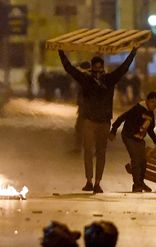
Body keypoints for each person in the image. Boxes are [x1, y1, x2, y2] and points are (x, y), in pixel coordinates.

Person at [58, 47, 138, 194]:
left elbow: (124, 68)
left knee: (100, 152)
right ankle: (90, 181)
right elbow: (69, 69)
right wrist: (62, 53)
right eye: (96, 69)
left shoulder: (108, 79)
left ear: (103, 68)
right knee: (89, 152)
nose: (98, 72)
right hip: (90, 121)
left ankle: (96, 182)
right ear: (92, 68)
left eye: (99, 69)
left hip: (103, 121)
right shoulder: (87, 80)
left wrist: (133, 52)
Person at [109, 91, 156, 193]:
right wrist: (113, 130)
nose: (153, 105)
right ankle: (136, 185)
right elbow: (122, 117)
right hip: (129, 136)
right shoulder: (137, 109)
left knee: (143, 161)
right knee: (136, 159)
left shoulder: (151, 114)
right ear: (147, 101)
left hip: (140, 138)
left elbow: (150, 130)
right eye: (152, 102)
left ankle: (141, 182)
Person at [72, 61, 91, 153]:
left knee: (82, 128)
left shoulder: (87, 79)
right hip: (85, 108)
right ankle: (80, 148)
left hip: (87, 108)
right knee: (81, 128)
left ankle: (81, 148)